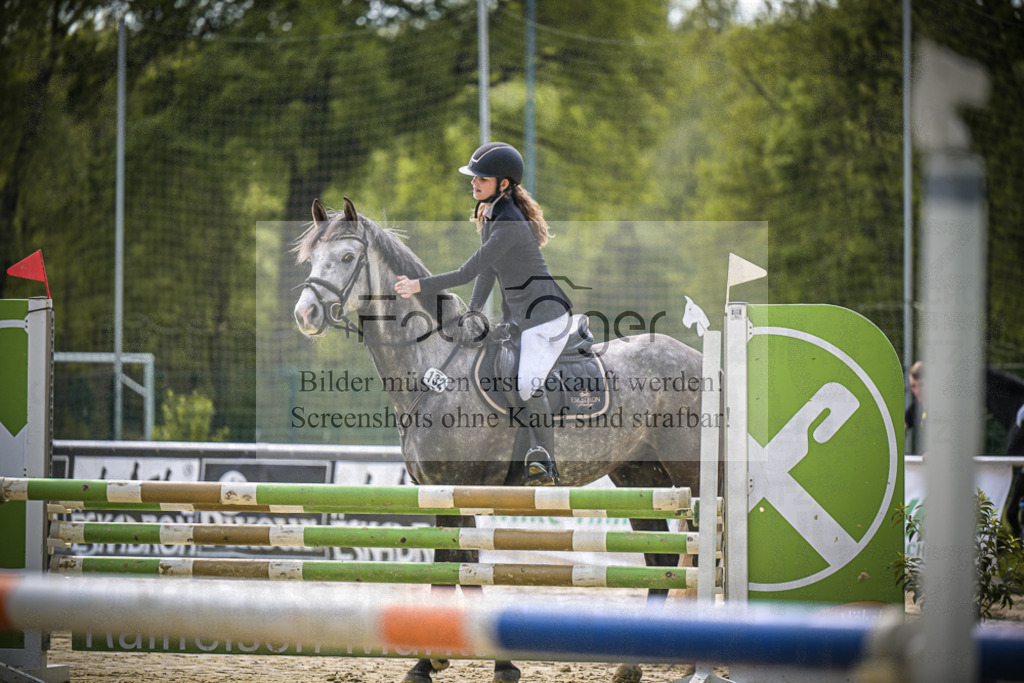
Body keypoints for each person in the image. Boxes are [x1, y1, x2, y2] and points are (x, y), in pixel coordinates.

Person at [394, 142, 572, 486]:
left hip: (546, 317)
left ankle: (543, 459)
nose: (474, 183)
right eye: (473, 177)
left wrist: (418, 285)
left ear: (503, 184)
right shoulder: (492, 214)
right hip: (520, 317)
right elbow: (488, 272)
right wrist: (473, 312)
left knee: (526, 382)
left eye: (482, 179)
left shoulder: (509, 223)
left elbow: (466, 272)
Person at [905, 361, 925, 454]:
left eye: (921, 385)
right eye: (913, 386)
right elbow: (899, 431)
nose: (917, 391)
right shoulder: (914, 408)